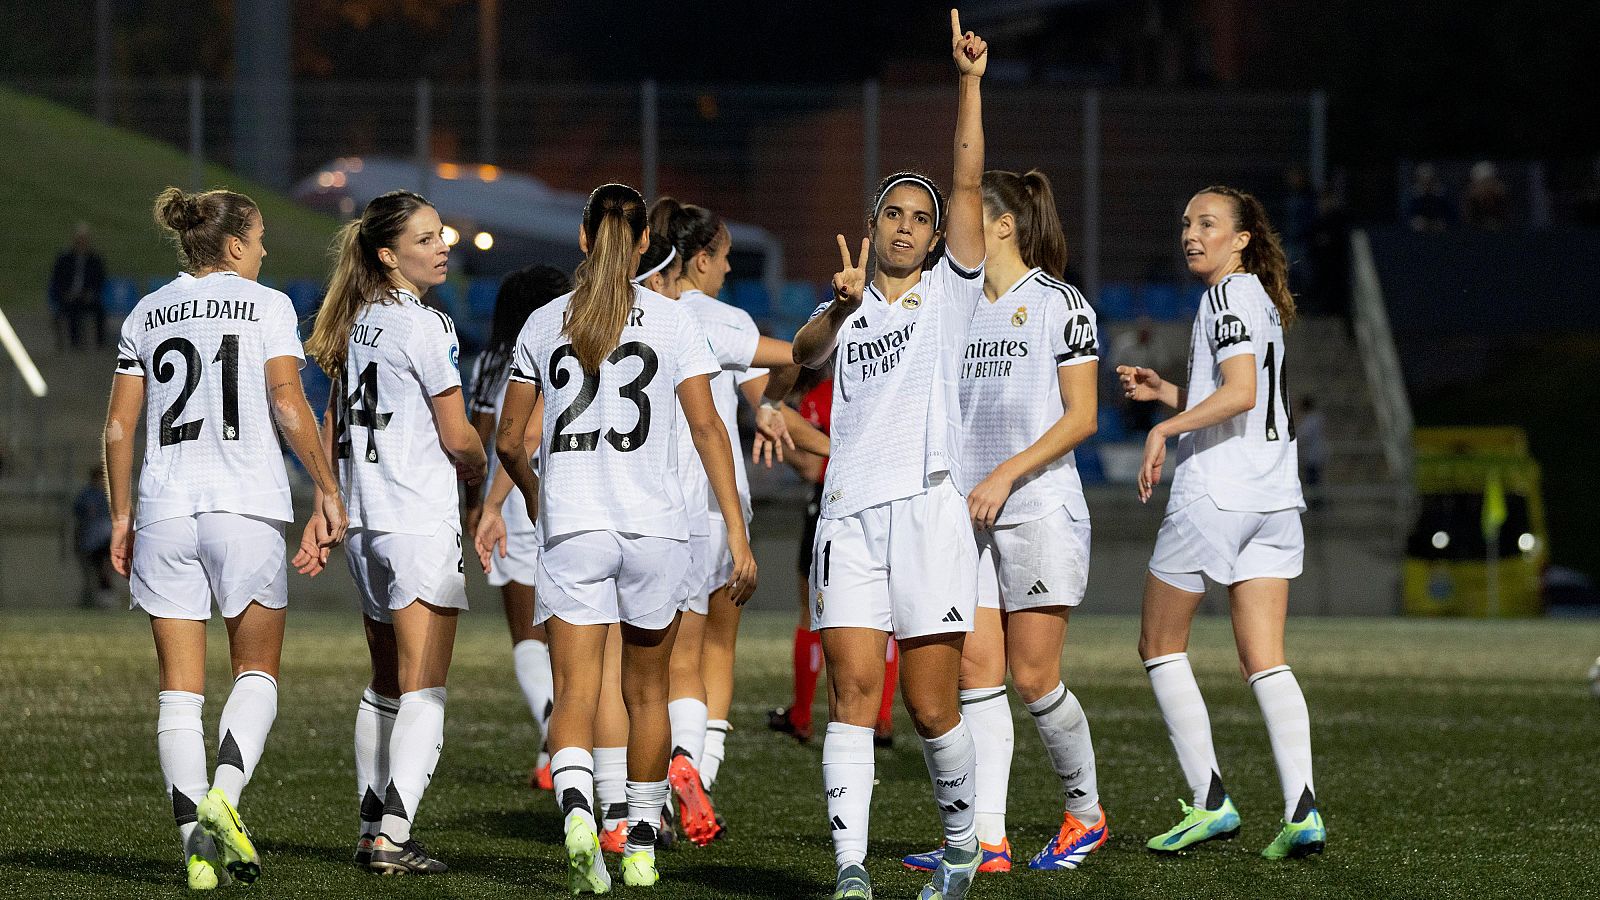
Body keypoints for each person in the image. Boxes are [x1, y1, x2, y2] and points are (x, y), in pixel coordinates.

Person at [483, 183, 757, 891]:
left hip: (574, 523)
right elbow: (708, 429)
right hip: (656, 529)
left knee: (575, 691)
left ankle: (580, 815)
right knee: (648, 692)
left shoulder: (544, 321)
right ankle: (639, 845)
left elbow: (509, 439)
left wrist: (536, 496)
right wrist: (736, 531)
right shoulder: (671, 321)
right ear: (643, 245)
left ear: (582, 238)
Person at [790, 12, 988, 899]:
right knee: (852, 697)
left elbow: (968, 179)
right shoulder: (845, 305)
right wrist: (837, 307)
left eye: (920, 219)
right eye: (893, 214)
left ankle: (961, 848)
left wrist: (968, 83)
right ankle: (850, 869)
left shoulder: (949, 294)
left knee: (932, 705)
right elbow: (803, 354)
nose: (906, 227)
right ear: (871, 226)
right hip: (849, 515)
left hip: (929, 509)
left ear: (939, 238)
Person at [103, 187, 347, 890]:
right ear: (235, 245)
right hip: (244, 505)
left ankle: (196, 853)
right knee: (256, 671)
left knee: (179, 694)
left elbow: (118, 426)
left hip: (164, 510)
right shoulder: (267, 304)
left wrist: (121, 516)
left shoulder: (146, 311)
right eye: (260, 238)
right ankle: (225, 796)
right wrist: (327, 488)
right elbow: (286, 401)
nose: (265, 250)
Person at [902, 167, 1106, 876]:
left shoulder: (1059, 304)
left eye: (962, 221)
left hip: (1038, 511)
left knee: (1034, 676)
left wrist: (1005, 473)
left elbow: (1084, 416)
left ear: (1002, 226)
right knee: (977, 674)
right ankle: (987, 839)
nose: (947, 237)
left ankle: (1086, 815)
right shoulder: (951, 306)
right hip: (969, 517)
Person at [1117, 184, 1325, 860]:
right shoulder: (1256, 297)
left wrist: (1164, 429)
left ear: (1241, 239)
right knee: (1265, 659)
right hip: (1274, 499)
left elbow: (1239, 393)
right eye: (1186, 223)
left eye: (1208, 223)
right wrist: (1168, 394)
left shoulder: (1227, 297)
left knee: (1159, 644)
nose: (1191, 233)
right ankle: (1302, 811)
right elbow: (1246, 401)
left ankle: (1210, 802)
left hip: (1217, 494)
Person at [302, 189, 487, 875]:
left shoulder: (354, 320)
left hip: (365, 523)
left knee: (385, 681)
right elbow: (457, 435)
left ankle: (368, 826)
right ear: (387, 255)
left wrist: (326, 501)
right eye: (426, 239)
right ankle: (393, 836)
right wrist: (482, 468)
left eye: (441, 235)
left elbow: (333, 421)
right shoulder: (427, 325)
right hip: (416, 519)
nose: (442, 248)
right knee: (424, 686)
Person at [650, 196, 805, 837]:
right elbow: (790, 361)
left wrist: (766, 412)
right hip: (720, 505)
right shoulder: (724, 319)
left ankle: (653, 793)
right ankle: (697, 772)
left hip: (656, 504)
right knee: (716, 647)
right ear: (700, 259)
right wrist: (778, 411)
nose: (727, 269)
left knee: (656, 661)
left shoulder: (642, 313)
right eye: (723, 258)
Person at [464, 264, 573, 793]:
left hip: (510, 497)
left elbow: (481, 441)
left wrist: (474, 505)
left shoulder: (492, 362)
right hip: (571, 489)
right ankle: (560, 743)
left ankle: (553, 730)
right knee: (574, 630)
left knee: (527, 634)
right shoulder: (570, 347)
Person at [767, 370, 899, 749]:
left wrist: (778, 438)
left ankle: (802, 716)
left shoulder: (826, 393)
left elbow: (811, 467)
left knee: (811, 612)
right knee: (888, 615)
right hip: (889, 506)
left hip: (837, 506)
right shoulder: (890, 387)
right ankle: (882, 718)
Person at [50, 222, 108, 350]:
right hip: (68, 296)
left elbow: (100, 280)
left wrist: (91, 293)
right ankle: (75, 343)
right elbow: (57, 280)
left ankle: (100, 343)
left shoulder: (95, 260)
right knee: (72, 309)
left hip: (88, 297)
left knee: (99, 310)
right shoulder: (64, 259)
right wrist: (65, 294)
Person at [72, 463, 116, 608]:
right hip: (92, 541)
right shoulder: (86, 495)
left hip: (106, 540)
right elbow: (79, 514)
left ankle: (105, 596)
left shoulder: (109, 494)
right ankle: (94, 599)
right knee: (94, 573)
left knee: (105, 568)